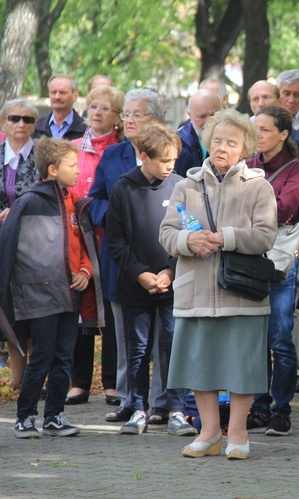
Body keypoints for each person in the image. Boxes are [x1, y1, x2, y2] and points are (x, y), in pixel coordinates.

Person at [160, 108, 277, 460]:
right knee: (200, 363)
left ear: (246, 148)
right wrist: (188, 243)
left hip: (241, 291)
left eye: (231, 142)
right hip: (195, 289)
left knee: (242, 365)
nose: (222, 147)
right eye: (217, 140)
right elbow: (166, 233)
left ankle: (238, 432)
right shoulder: (186, 185)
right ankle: (209, 433)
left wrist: (224, 237)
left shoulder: (258, 186)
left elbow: (265, 236)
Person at [0, 137, 95, 438]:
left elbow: (81, 246)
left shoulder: (74, 202)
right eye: (71, 165)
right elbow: (11, 248)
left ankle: (54, 416)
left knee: (63, 356)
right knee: (40, 356)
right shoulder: (28, 202)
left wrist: (85, 271)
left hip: (70, 294)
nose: (78, 170)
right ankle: (25, 417)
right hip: (40, 295)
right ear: (53, 169)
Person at [87, 89, 170, 425]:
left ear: (156, 121)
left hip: (166, 264)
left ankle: (164, 403)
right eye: (129, 114)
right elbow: (94, 202)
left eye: (139, 114)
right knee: (128, 339)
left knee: (166, 340)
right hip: (123, 259)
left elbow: (186, 205)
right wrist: (123, 214)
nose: (130, 120)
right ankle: (129, 400)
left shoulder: (173, 158)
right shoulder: (114, 155)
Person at [107, 123, 194, 437]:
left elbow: (189, 232)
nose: (171, 166)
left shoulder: (182, 186)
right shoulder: (123, 189)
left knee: (173, 346)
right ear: (143, 156)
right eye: (164, 160)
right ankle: (138, 408)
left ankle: (176, 410)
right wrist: (141, 274)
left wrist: (170, 270)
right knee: (138, 349)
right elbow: (115, 241)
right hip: (135, 284)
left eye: (174, 159)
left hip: (173, 282)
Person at [245, 106, 299, 437]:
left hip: (280, 260)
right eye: (255, 129)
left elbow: (285, 210)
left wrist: (249, 209)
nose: (258, 136)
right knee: (254, 339)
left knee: (280, 337)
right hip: (250, 259)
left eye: (265, 130)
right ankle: (258, 407)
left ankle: (281, 410)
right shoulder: (248, 164)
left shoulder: (296, 168)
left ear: (283, 134)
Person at [65, 85, 124, 407]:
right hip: (78, 240)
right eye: (93, 106)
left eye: (106, 108)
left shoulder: (122, 150)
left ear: (118, 118)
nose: (97, 112)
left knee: (112, 312)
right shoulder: (71, 148)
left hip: (110, 239)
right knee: (80, 308)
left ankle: (112, 382)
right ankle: (79, 382)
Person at [0, 99, 40, 388]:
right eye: (14, 118)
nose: (21, 124)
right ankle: (17, 378)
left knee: (33, 308)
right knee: (8, 309)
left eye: (27, 119)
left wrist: (17, 214)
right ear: (4, 123)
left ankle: (36, 378)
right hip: (2, 244)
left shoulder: (42, 156)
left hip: (34, 243)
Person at [248, 80, 299, 168]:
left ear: (280, 100)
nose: (261, 103)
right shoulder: (241, 135)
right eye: (255, 99)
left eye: (266, 97)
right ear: (250, 104)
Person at [173, 89, 222, 177]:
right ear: (190, 115)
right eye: (201, 116)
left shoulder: (233, 138)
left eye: (213, 115)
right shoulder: (179, 141)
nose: (208, 122)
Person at [33, 74, 87, 141]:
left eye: (62, 93)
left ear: (75, 96)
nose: (57, 97)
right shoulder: (35, 126)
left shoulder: (86, 130)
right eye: (53, 92)